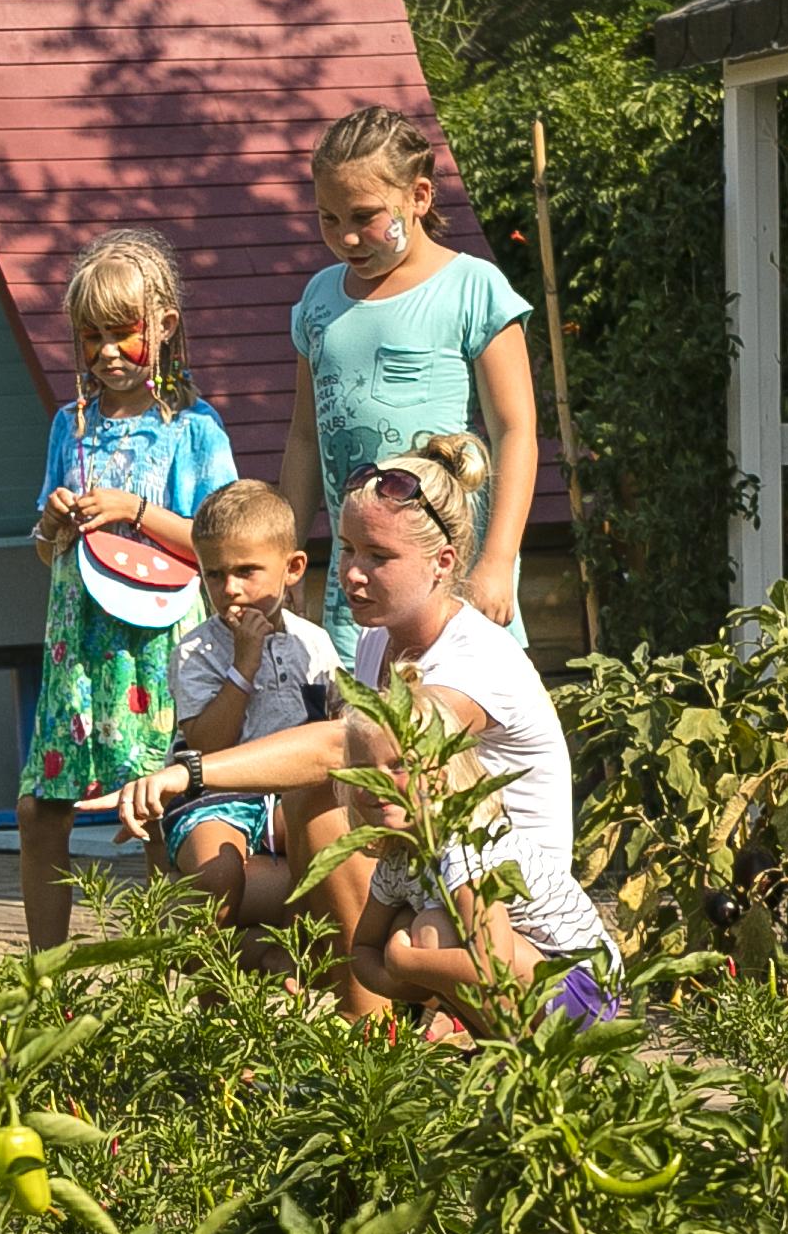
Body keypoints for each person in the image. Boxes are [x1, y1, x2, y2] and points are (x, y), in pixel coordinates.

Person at [124, 435, 617, 1034]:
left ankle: (376, 1039)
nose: (352, 574)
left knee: (319, 801)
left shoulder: (473, 661)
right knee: (221, 899)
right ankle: (310, 1023)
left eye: (378, 557)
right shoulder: (377, 639)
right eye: (349, 549)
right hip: (416, 875)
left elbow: (338, 749)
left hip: (504, 911)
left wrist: (189, 772)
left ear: (443, 562)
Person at [13, 234, 229, 953]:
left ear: (163, 326)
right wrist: (50, 524)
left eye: (123, 333)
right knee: (42, 808)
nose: (107, 352)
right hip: (78, 649)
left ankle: (178, 977)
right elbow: (47, 555)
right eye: (92, 336)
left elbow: (222, 541)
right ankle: (46, 979)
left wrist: (134, 512)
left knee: (160, 809)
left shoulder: (193, 429)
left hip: (159, 649)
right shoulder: (64, 427)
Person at [285, 105, 540, 646]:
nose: (345, 237)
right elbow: (305, 439)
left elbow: (516, 432)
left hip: (451, 579)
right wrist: (285, 555)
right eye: (328, 218)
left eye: (364, 216)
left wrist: (497, 562)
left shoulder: (473, 288)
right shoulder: (318, 302)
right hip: (356, 586)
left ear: (419, 197)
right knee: (364, 723)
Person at [151, 477, 339, 943]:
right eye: (214, 574)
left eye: (247, 572)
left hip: (288, 791)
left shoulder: (312, 642)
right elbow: (205, 746)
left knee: (328, 854)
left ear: (292, 568)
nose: (230, 589)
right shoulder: (196, 650)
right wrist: (243, 666)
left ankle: (285, 960)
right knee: (217, 877)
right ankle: (208, 989)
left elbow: (333, 725)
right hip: (213, 792)